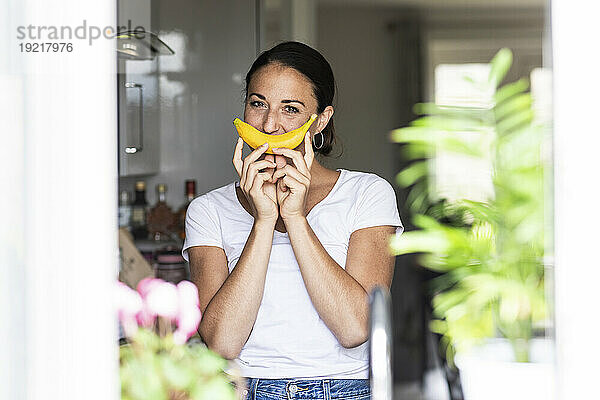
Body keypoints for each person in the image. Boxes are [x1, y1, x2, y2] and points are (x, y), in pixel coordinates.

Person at [182, 41, 403, 400]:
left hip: (346, 388)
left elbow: (354, 328)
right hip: (241, 390)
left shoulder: (368, 193)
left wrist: (296, 218)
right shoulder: (208, 210)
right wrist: (265, 220)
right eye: (258, 104)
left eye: (290, 109)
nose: (270, 124)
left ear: (321, 121)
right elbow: (221, 343)